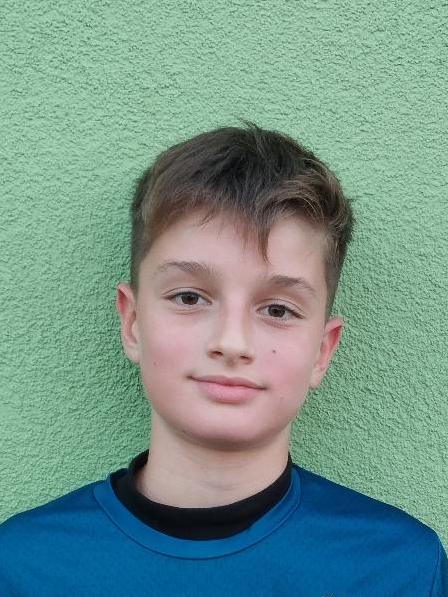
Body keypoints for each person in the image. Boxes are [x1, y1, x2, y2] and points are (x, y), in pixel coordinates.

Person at [0, 123, 446, 595]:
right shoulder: (22, 568)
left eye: (278, 309)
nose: (232, 343)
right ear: (132, 323)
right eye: (189, 297)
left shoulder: (400, 570)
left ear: (322, 350)